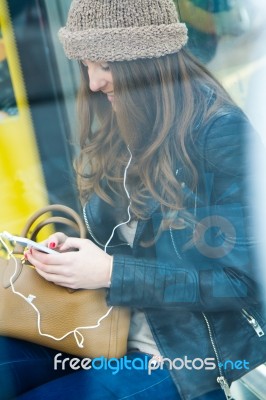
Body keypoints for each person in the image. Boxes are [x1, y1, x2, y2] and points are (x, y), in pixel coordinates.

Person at [1, 0, 266, 399]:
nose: (93, 82)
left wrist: (110, 272)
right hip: (108, 325)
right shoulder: (122, 119)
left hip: (186, 357)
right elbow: (133, 244)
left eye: (104, 65)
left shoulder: (220, 133)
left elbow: (243, 283)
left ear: (146, 60)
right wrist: (80, 255)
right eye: (86, 64)